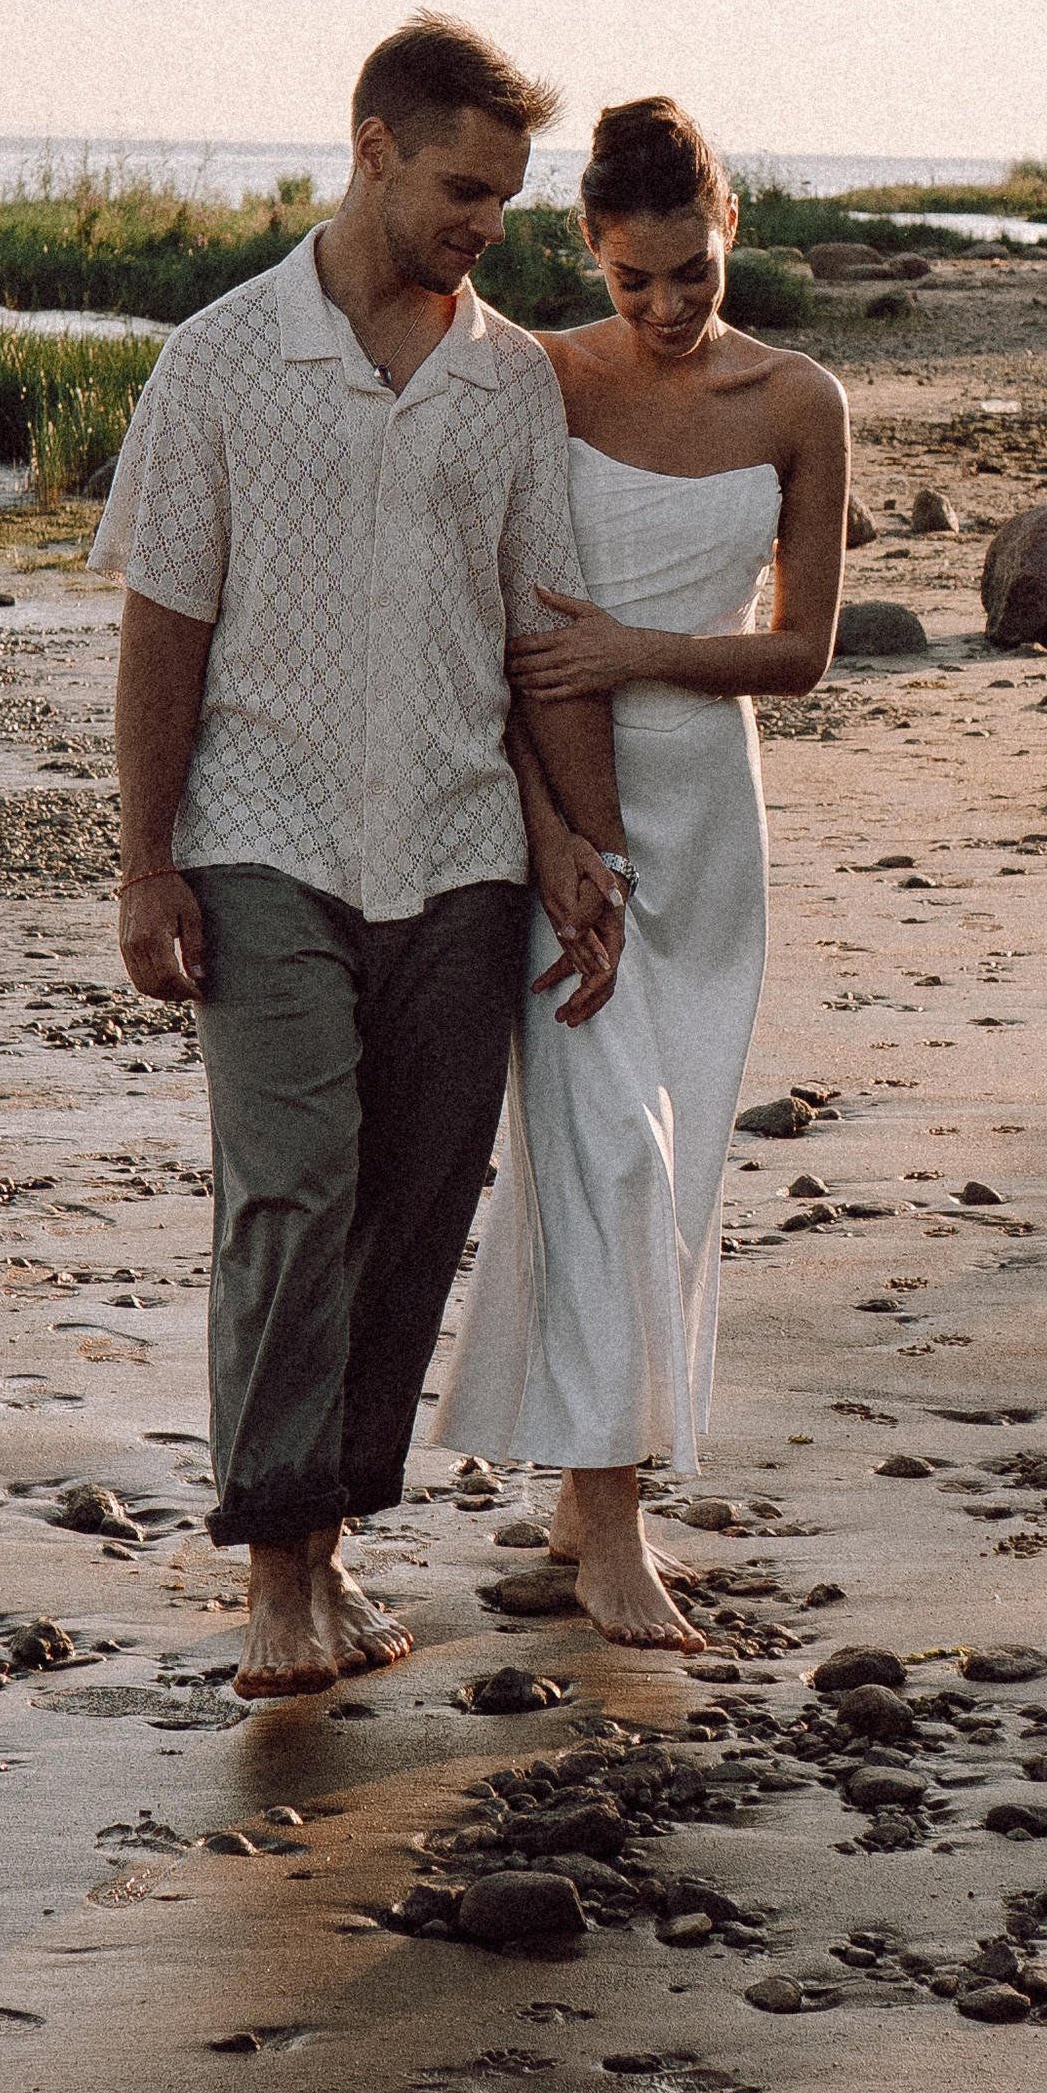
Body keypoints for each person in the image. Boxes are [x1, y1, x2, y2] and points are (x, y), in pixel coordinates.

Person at [98, 16, 632, 1701]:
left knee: (412, 1211)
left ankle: (332, 1550)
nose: (490, 225)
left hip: (464, 858)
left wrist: (579, 846)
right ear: (374, 146)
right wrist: (142, 862)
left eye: (511, 198)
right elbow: (162, 627)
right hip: (264, 841)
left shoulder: (511, 384)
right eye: (467, 188)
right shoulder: (220, 361)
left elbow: (535, 641)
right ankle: (270, 1570)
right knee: (290, 1190)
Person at [435, 96, 847, 1648]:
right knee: (605, 1148)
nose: (669, 313)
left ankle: (579, 1486)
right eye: (633, 282)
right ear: (590, 255)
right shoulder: (537, 380)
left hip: (713, 825)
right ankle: (613, 1527)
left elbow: (800, 651)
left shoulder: (799, 400)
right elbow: (496, 621)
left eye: (695, 276)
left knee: (676, 1180)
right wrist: (557, 839)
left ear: (728, 235)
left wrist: (637, 648)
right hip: (567, 808)